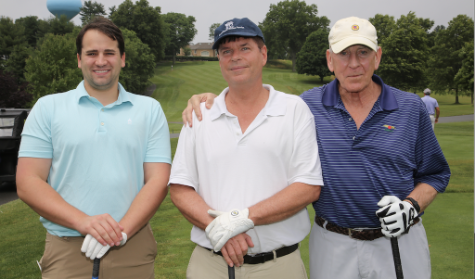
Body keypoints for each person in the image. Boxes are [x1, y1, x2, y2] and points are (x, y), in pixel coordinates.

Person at [183, 16, 450, 279]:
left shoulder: (410, 107)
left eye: (363, 53)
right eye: (343, 54)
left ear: (377, 57)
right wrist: (210, 100)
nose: (354, 63)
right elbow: (251, 97)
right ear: (329, 60)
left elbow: (435, 174)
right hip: (333, 241)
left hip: (399, 239)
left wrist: (411, 205)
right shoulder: (306, 105)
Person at [16, 17, 171, 279]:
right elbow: (28, 181)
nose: (101, 61)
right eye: (92, 53)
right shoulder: (47, 108)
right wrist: (84, 222)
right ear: (79, 59)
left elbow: (158, 179)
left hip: (132, 246)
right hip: (68, 250)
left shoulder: (149, 109)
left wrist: (121, 231)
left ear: (122, 58)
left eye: (109, 52)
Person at [169, 17, 323, 279]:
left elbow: (308, 186)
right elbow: (180, 188)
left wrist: (242, 218)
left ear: (263, 54)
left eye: (244, 48)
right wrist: (219, 228)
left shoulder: (294, 110)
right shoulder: (198, 115)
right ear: (219, 60)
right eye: (226, 51)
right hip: (210, 265)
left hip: (278, 266)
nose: (235, 57)